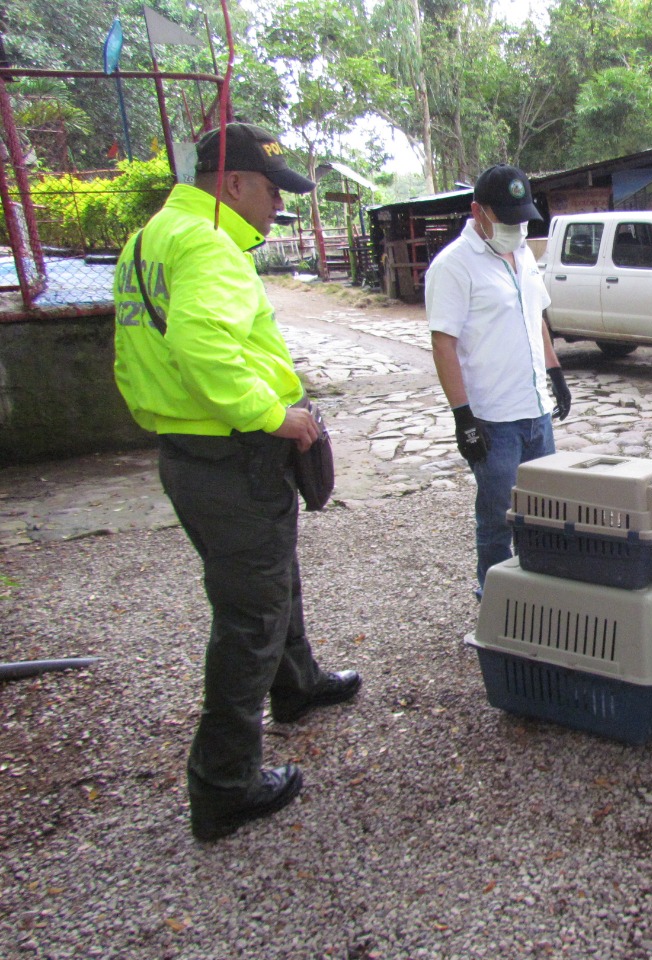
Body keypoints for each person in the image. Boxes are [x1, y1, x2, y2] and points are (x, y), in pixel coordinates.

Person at [112, 122, 362, 842]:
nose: (273, 208)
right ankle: (224, 784)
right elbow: (201, 345)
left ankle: (298, 683)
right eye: (270, 191)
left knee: (271, 574)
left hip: (188, 449)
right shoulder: (206, 244)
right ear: (233, 184)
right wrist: (275, 416)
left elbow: (138, 351)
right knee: (250, 615)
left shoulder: (150, 238)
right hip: (231, 451)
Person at [424, 163, 571, 594]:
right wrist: (462, 417)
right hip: (492, 419)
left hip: (535, 412)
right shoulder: (453, 266)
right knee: (496, 517)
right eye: (507, 219)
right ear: (478, 212)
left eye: (522, 218)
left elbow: (536, 315)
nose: (516, 227)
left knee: (543, 508)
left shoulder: (523, 254)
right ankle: (494, 595)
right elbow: (442, 343)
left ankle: (535, 588)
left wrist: (555, 372)